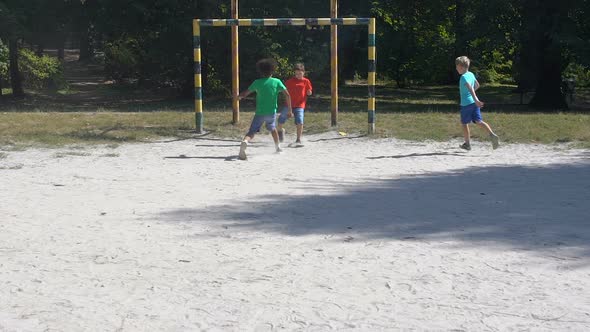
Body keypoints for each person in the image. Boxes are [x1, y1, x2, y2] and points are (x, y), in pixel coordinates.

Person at [235, 58, 292, 160]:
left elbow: (246, 93)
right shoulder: (277, 81)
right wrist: (290, 109)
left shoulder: (257, 82)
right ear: (272, 70)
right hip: (271, 113)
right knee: (273, 128)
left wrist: (239, 97)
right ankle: (278, 147)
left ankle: (245, 142)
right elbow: (287, 95)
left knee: (251, 132)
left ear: (260, 71)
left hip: (260, 113)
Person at [455, 56, 499, 151]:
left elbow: (471, 88)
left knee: (464, 123)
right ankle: (492, 135)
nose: (456, 68)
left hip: (466, 104)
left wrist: (474, 98)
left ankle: (467, 144)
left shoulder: (463, 77)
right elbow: (477, 85)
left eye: (457, 66)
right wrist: (474, 98)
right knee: (478, 121)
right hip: (474, 103)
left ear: (462, 67)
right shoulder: (470, 74)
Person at [277, 63, 313, 146]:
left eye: (300, 73)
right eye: (296, 74)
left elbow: (309, 91)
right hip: (288, 105)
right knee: (281, 119)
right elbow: (283, 91)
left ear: (303, 72)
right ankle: (281, 131)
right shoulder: (289, 82)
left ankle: (298, 139)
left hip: (300, 105)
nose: (298, 75)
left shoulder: (306, 81)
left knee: (300, 121)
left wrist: (309, 92)